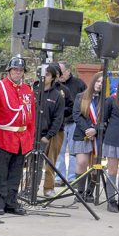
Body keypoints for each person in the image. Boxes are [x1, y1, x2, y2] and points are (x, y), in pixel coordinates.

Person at [0, 55, 35, 216]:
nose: (18, 73)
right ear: (9, 71)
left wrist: (30, 138)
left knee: (16, 173)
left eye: (20, 70)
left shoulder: (28, 90)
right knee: (0, 172)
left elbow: (31, 116)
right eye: (15, 70)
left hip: (21, 138)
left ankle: (11, 202)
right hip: (3, 137)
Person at [32, 63, 66, 198]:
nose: (43, 77)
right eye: (41, 74)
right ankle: (31, 188)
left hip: (51, 135)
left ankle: (48, 188)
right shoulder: (32, 91)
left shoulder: (58, 95)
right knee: (33, 163)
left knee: (50, 162)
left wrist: (49, 135)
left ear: (52, 77)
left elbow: (59, 118)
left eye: (46, 75)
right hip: (33, 134)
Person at [71, 72, 104, 202]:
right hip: (82, 135)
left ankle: (89, 192)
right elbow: (76, 115)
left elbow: (105, 119)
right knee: (81, 162)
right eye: (97, 81)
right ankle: (79, 192)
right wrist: (87, 130)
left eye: (102, 82)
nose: (99, 84)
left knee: (95, 165)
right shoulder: (81, 96)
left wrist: (95, 130)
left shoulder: (105, 100)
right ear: (93, 82)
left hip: (98, 136)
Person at [55, 62, 86, 185]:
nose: (60, 75)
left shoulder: (79, 84)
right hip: (59, 123)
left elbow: (86, 101)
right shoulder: (55, 85)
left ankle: (73, 178)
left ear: (68, 71)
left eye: (61, 72)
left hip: (75, 123)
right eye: (58, 73)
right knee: (59, 152)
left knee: (74, 152)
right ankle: (59, 178)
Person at [101, 85, 119, 212]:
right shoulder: (111, 100)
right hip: (113, 139)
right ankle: (111, 201)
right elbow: (103, 119)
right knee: (112, 171)